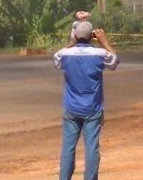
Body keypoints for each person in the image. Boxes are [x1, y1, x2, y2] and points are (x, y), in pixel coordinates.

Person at [54, 21, 118, 180]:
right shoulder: (100, 54)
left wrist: (73, 41)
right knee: (91, 148)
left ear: (76, 36)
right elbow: (114, 62)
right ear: (91, 36)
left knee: (68, 147)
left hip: (71, 108)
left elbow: (57, 57)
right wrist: (104, 42)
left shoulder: (64, 54)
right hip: (92, 109)